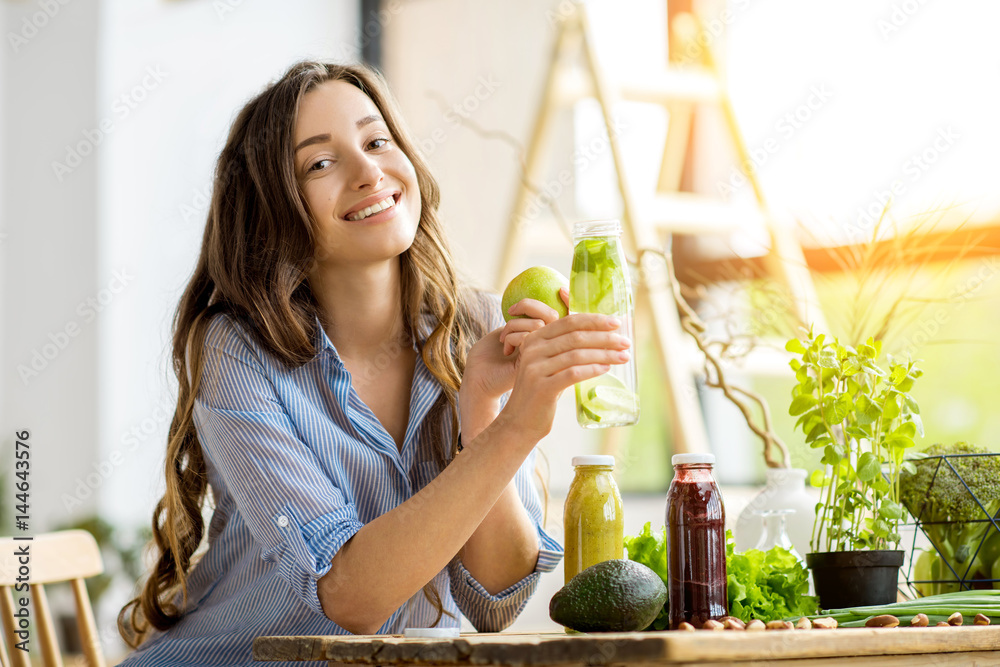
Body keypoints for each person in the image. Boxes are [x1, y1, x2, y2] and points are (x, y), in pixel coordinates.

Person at [116, 60, 631, 666]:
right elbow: (348, 598)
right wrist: (517, 430)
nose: (368, 172)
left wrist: (486, 416)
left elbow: (495, 601)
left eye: (377, 140)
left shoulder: (481, 328)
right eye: (321, 163)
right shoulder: (237, 351)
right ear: (273, 209)